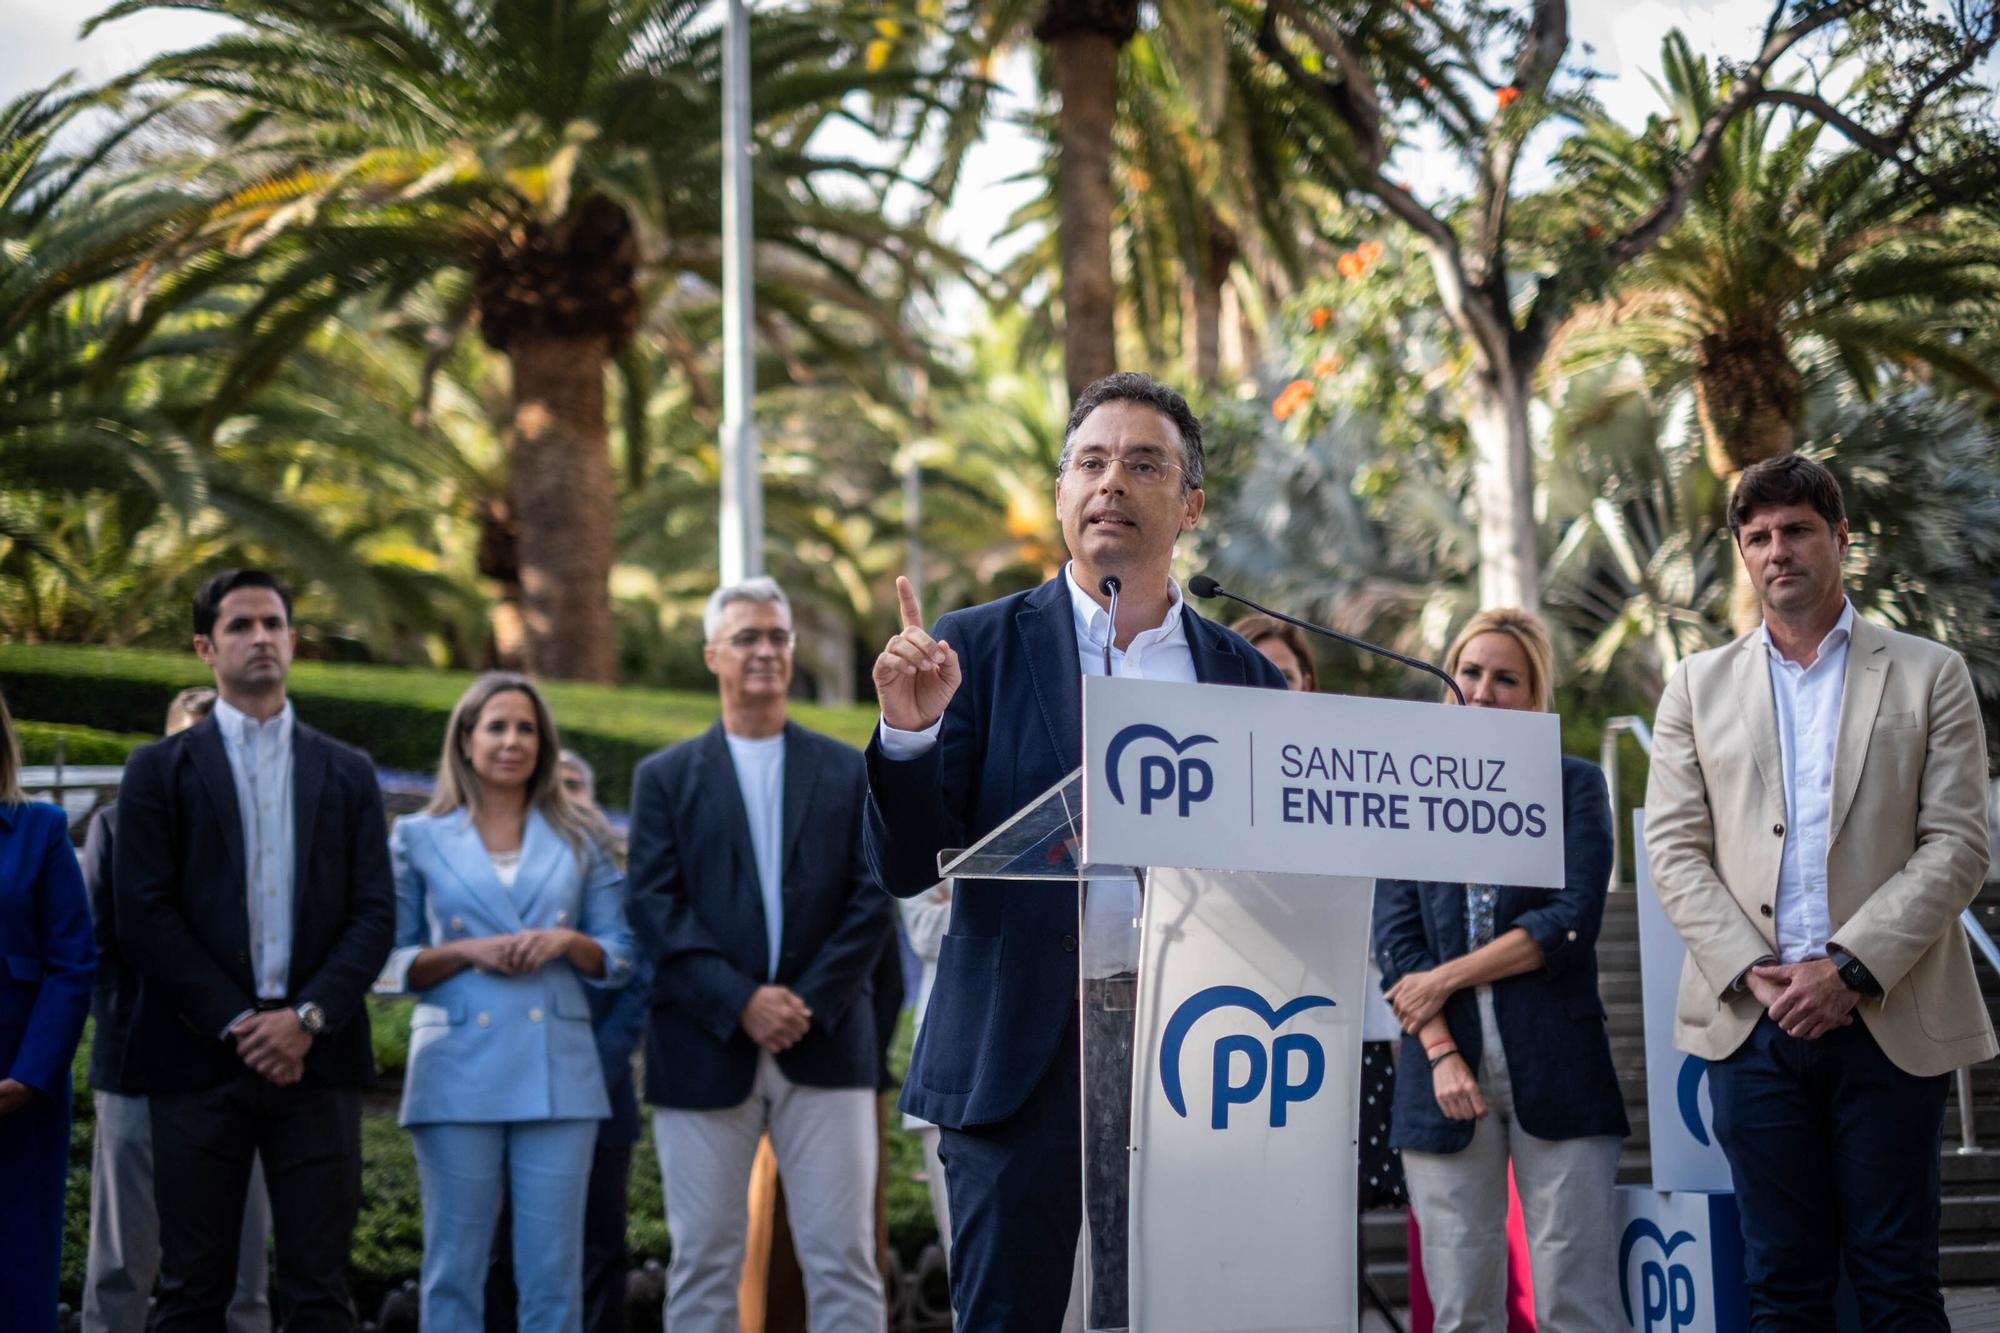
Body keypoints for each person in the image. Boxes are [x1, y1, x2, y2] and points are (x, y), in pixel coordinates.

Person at [864, 371, 1287, 1330]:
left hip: (1197, 1057)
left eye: (1144, 464)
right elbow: (904, 865)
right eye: (1091, 463)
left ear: (1190, 505)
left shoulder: (1245, 678)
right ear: (1061, 493)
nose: (1112, 483)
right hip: (1016, 1057)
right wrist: (909, 735)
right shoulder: (973, 649)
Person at [1644, 454, 1995, 1328]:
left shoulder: (1930, 672)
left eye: (1797, 530)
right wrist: (1752, 968)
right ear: (1742, 552)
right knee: (1780, 1285)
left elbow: (1957, 844)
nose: (1778, 551)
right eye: (1758, 536)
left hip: (1887, 1014)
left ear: (1840, 538)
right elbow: (1673, 849)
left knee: (1898, 1281)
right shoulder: (1694, 685)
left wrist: (1848, 968)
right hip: (1752, 1023)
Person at [112, 568, 395, 1331]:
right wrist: (240, 1022)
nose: (260, 637)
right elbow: (142, 914)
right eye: (240, 625)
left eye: (273, 623)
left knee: (319, 1291)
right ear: (205, 647)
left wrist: (306, 1018)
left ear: (293, 641)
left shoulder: (347, 770)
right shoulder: (156, 770)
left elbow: (375, 913)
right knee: (191, 1289)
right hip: (196, 1059)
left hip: (318, 1061)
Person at [629, 577, 895, 1332]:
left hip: (827, 1041)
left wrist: (803, 1002)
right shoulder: (663, 779)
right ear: (712, 655)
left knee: (844, 1259)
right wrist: (742, 1000)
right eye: (747, 636)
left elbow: (871, 897)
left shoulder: (846, 769)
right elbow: (653, 907)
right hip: (702, 1045)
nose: (767, 651)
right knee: (703, 1261)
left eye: (779, 636)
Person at [1371, 607, 1625, 1332]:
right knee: (1461, 1311)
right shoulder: (1410, 790)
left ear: (1535, 694)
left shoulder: (1574, 785)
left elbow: (1569, 921)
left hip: (1561, 1064)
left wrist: (1446, 978)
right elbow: (1397, 943)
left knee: (1576, 1303)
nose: (1481, 690)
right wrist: (1442, 1052)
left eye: (1505, 679)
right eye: (1470, 671)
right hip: (1440, 1076)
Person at [376, 676, 635, 1332]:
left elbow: (621, 954)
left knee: (552, 1274)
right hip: (454, 1067)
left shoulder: (582, 835)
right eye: (497, 726)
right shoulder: (417, 836)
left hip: (559, 1072)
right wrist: (469, 951)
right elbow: (387, 961)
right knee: (453, 1269)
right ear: (466, 740)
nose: (512, 740)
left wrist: (568, 941)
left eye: (526, 728)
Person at [81, 686, 275, 1333]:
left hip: (241, 1068)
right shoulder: (115, 826)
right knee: (121, 1262)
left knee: (244, 1272)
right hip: (138, 1066)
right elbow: (100, 949)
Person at [483, 748, 651, 1333]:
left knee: (598, 1252)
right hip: (509, 1100)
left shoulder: (626, 896)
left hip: (601, 1101)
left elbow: (635, 994)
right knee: (503, 1253)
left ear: (595, 803)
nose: (564, 796)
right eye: (552, 786)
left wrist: (580, 1073)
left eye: (574, 785)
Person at [0, 686, 97, 1333]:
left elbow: (73, 963)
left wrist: (27, 1078)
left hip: (18, 1098)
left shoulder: (40, 830)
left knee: (14, 1277)